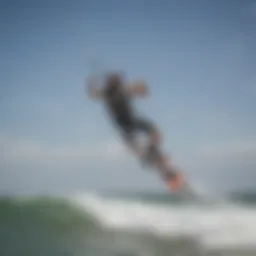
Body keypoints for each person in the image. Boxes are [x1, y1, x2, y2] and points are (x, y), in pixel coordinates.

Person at [86, 72, 184, 191]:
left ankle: (159, 159)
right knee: (140, 151)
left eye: (119, 81)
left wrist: (142, 88)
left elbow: (141, 89)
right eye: (116, 81)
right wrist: (91, 81)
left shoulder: (123, 89)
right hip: (124, 126)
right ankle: (161, 168)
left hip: (133, 121)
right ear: (111, 82)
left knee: (154, 133)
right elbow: (92, 94)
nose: (119, 83)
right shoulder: (106, 93)